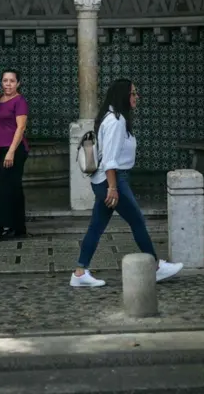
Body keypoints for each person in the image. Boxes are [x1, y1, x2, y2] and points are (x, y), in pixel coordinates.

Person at [70, 78, 184, 288]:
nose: (136, 96)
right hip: (112, 180)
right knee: (137, 221)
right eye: (133, 93)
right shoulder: (116, 120)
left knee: (96, 226)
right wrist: (113, 188)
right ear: (123, 95)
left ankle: (79, 272)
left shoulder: (112, 117)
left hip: (107, 180)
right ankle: (155, 267)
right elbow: (110, 159)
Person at [0, 68, 29, 240]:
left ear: (18, 83)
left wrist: (11, 152)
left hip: (13, 149)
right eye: (5, 81)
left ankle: (6, 226)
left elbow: (21, 127)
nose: (8, 84)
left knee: (4, 186)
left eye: (12, 81)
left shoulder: (19, 101)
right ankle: (17, 227)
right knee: (11, 187)